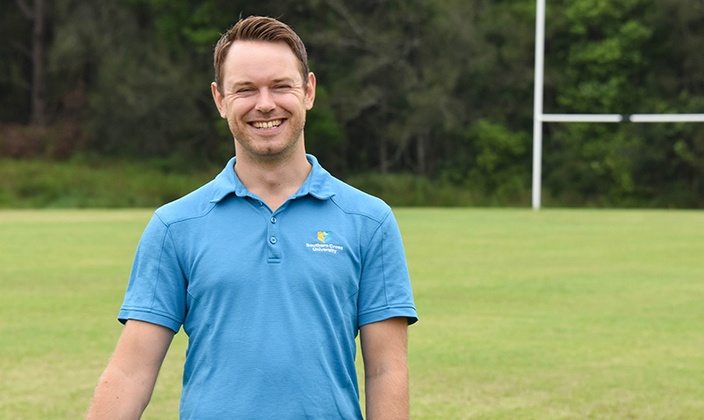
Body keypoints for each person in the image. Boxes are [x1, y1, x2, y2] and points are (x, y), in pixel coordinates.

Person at [86, 15, 417, 420]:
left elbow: (386, 372)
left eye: (281, 86)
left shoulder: (370, 221)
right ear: (220, 99)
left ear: (308, 90)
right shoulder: (175, 227)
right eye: (245, 89)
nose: (265, 104)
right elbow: (130, 373)